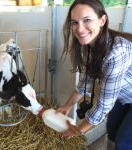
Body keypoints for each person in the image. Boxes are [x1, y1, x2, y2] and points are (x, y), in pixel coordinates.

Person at [56, 0, 132, 149]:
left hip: (124, 95)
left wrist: (78, 130)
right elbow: (88, 78)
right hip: (122, 96)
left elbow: (104, 105)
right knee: (111, 132)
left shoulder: (117, 51)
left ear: (102, 20)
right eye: (74, 23)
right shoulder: (90, 44)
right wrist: (67, 106)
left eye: (87, 20)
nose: (79, 29)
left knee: (124, 142)